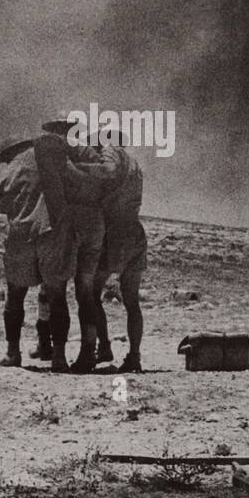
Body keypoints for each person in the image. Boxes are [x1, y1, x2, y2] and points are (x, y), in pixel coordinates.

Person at [0, 134, 70, 372]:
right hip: (51, 233)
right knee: (57, 298)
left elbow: (4, 205)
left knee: (15, 296)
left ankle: (13, 353)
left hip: (22, 235)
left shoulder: (12, 169)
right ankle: (59, 358)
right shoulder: (53, 161)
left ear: (10, 153)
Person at [37, 120, 108, 373]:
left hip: (70, 222)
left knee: (57, 292)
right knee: (86, 292)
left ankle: (58, 356)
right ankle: (88, 352)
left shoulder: (55, 151)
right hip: (95, 222)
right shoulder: (90, 152)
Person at [90, 138, 145, 373]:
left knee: (91, 293)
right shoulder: (134, 163)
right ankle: (134, 356)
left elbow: (108, 172)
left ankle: (103, 346)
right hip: (135, 230)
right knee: (132, 301)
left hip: (113, 232)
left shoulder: (110, 153)